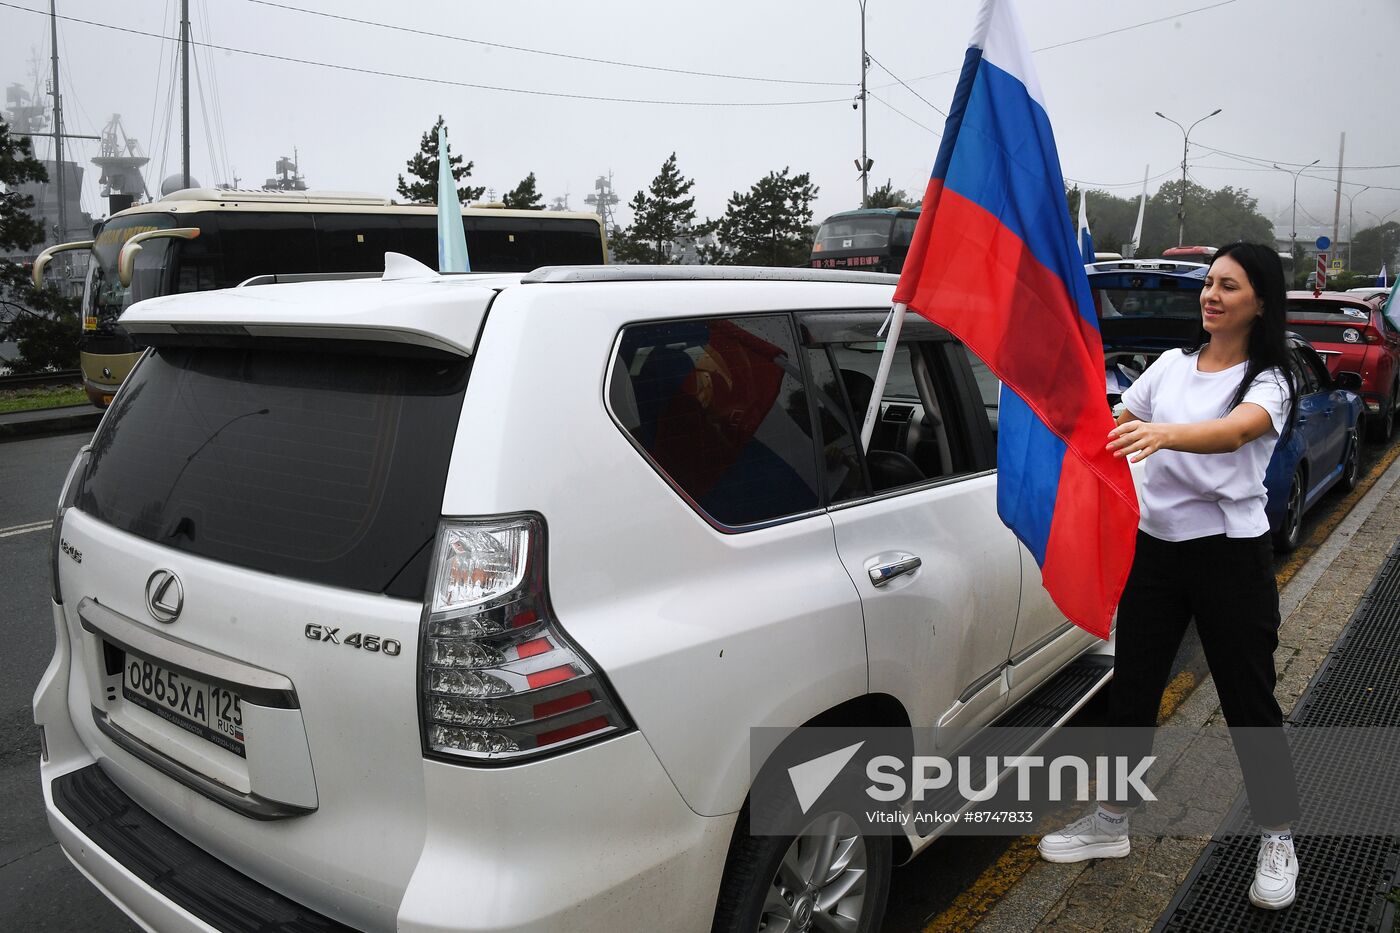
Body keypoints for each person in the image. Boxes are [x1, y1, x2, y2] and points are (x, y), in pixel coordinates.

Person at [1037, 242, 1302, 910]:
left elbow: (1237, 433)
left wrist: (1165, 435)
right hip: (1157, 552)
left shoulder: (1270, 378)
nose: (1211, 295)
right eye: (1209, 283)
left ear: (1260, 302)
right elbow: (1119, 421)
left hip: (1231, 558)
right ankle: (1111, 820)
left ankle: (1277, 836)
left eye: (1229, 286)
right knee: (1131, 691)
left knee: (1249, 701)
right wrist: (1066, 413)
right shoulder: (1170, 366)